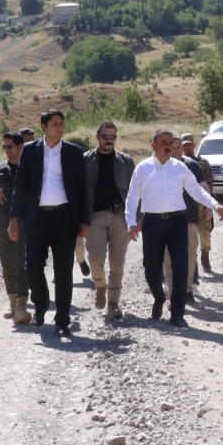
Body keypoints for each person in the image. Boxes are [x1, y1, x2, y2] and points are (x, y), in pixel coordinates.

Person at [125, 129, 223, 327]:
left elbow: (196, 190)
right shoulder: (143, 168)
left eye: (171, 143)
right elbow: (132, 197)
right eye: (164, 142)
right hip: (152, 224)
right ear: (153, 145)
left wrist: (214, 205)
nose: (169, 146)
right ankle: (158, 297)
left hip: (177, 223)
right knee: (150, 268)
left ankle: (177, 314)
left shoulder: (180, 168)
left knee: (181, 267)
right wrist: (131, 222)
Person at [8, 109, 90, 337]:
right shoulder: (31, 151)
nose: (59, 127)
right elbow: (20, 187)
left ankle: (62, 318)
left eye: (62, 123)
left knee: (63, 270)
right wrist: (14, 219)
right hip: (36, 218)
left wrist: (84, 221)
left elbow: (83, 189)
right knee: (33, 266)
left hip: (65, 218)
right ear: (43, 126)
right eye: (54, 123)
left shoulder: (74, 152)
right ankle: (41, 303)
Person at [83, 120, 135, 320]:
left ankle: (113, 303)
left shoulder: (126, 161)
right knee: (95, 258)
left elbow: (134, 191)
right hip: (93, 216)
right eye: (106, 137)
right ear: (97, 137)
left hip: (119, 216)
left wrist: (136, 219)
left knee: (117, 262)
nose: (109, 140)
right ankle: (100, 285)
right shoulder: (85, 160)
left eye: (113, 137)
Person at [0, 131, 32, 326]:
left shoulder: (29, 168)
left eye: (9, 146)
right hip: (1, 222)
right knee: (7, 262)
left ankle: (21, 305)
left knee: (22, 262)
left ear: (20, 147)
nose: (6, 150)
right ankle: (12, 302)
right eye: (4, 147)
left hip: (24, 222)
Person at [167, 134, 211, 302]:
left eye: (179, 147)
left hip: (189, 218)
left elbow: (204, 186)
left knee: (189, 255)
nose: (176, 150)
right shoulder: (161, 166)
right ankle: (172, 291)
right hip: (166, 220)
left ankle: (187, 289)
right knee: (168, 257)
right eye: (173, 147)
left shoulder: (192, 165)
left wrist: (209, 206)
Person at [183, 132, 216, 275]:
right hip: (185, 206)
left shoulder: (202, 163)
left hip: (201, 205)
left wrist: (210, 206)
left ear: (194, 145)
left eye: (189, 144)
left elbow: (209, 183)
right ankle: (192, 266)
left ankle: (205, 257)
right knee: (188, 238)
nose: (187, 147)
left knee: (205, 234)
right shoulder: (178, 163)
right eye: (185, 145)